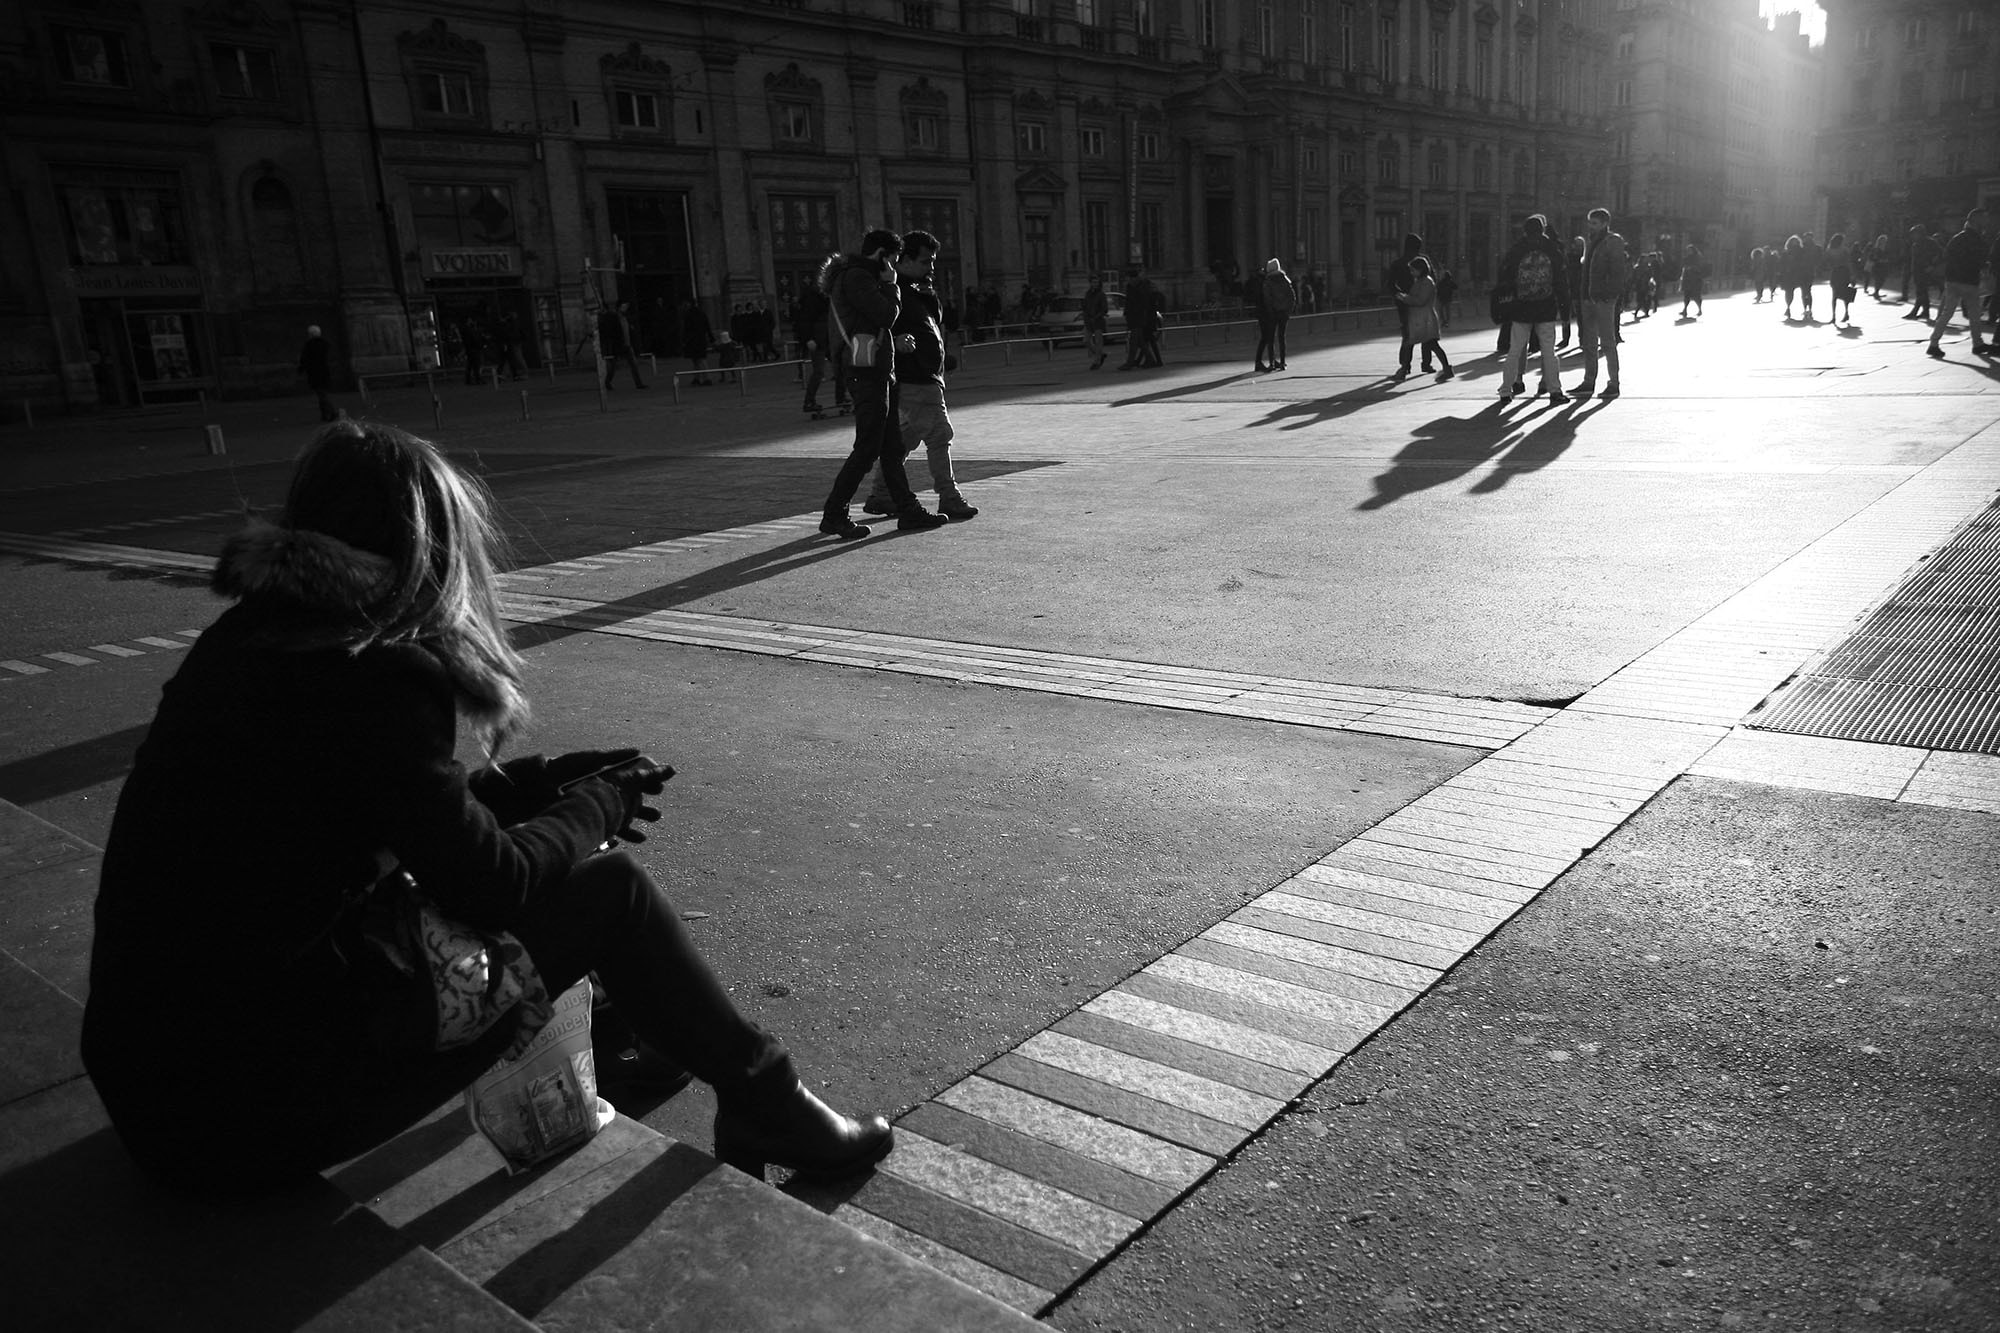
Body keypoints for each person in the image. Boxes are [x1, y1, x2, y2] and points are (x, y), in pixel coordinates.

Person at [80, 421, 894, 1193]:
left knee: (565, 864)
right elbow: (491, 883)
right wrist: (598, 805)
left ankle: (653, 1045)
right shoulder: (376, 664)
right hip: (251, 1121)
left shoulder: (251, 640)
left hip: (157, 1090)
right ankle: (767, 1101)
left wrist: (537, 780)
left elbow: (389, 810)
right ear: (425, 545)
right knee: (612, 890)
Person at [816, 229, 947, 539]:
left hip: (879, 370)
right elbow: (887, 315)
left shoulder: (864, 277)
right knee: (868, 447)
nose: (895, 265)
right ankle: (834, 513)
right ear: (882, 255)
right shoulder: (857, 278)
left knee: (891, 447)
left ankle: (908, 510)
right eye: (894, 258)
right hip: (865, 373)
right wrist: (890, 285)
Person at [861, 230, 978, 522]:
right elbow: (874, 327)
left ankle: (881, 494)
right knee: (939, 434)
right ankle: (949, 497)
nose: (932, 267)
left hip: (924, 376)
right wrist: (897, 342)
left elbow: (936, 323)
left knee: (905, 439)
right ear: (904, 260)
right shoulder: (890, 290)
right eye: (926, 261)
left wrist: (931, 296)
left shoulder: (914, 290)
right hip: (915, 377)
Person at [1496, 213, 1569, 405]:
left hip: (1521, 309)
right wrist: (1565, 308)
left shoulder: (1517, 250)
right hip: (1546, 308)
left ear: (1524, 231)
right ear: (1543, 230)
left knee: (1514, 351)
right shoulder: (1551, 249)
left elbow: (1505, 278)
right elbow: (1561, 280)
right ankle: (1555, 391)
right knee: (1549, 352)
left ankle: (1505, 390)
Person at [1576, 207, 1629, 401]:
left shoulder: (1612, 241)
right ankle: (1588, 381)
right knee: (1588, 343)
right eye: (1589, 222)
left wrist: (1609, 294)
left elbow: (1618, 271)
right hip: (1588, 297)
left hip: (1603, 298)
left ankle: (1613, 383)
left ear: (1605, 223)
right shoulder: (1591, 241)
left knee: (1607, 341)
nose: (1591, 226)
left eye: (1594, 223)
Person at [1926, 207, 1992, 359]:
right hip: (1969, 280)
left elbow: (1946, 255)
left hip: (1953, 280)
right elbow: (1980, 259)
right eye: (1983, 218)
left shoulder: (1957, 238)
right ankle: (1977, 343)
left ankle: (1934, 343)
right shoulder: (1977, 239)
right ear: (1976, 221)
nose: (1986, 221)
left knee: (1948, 312)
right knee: (1974, 314)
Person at [1396, 256, 1452, 382]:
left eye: (1413, 270)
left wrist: (1404, 298)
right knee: (1423, 344)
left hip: (1425, 320)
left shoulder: (1426, 282)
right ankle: (1446, 369)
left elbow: (1421, 300)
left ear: (1420, 269)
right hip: (1420, 319)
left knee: (1427, 344)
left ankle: (1403, 371)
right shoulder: (1421, 281)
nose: (1412, 273)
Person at [1388, 232, 1425, 380]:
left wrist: (1399, 296)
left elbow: (1390, 284)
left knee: (1407, 334)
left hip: (1404, 303)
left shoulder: (1397, 263)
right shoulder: (1422, 262)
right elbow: (1432, 280)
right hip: (1420, 302)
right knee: (1425, 334)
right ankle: (1426, 363)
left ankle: (1405, 365)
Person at [795, 278, 835, 413]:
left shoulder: (828, 298)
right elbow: (805, 321)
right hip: (817, 340)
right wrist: (808, 339)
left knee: (840, 368)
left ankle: (841, 397)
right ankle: (809, 401)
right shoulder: (812, 300)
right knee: (818, 372)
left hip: (828, 338)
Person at [1254, 258, 1294, 372]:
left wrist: (1271, 311)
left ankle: (1271, 363)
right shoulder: (1285, 279)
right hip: (1283, 313)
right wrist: (1289, 310)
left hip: (1272, 313)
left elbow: (1267, 298)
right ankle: (1282, 362)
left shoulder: (1268, 281)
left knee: (1270, 338)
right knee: (1281, 337)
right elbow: (1292, 296)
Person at [599, 302, 645, 389]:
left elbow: (628, 330)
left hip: (627, 344)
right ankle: (607, 382)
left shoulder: (625, 317)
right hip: (619, 344)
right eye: (624, 306)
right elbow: (611, 331)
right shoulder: (614, 317)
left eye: (626, 306)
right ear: (619, 307)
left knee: (633, 364)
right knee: (613, 366)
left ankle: (639, 383)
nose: (625, 308)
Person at [297, 324, 337, 422]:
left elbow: (304, 359)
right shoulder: (325, 344)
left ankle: (331, 412)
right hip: (324, 371)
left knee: (321, 394)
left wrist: (300, 370)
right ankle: (324, 414)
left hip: (314, 372)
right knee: (322, 393)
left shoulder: (309, 345)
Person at [1905, 224, 1943, 322]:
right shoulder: (1915, 244)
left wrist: (1932, 265)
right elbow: (1914, 260)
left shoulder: (1930, 243)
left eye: (1915, 233)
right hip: (1917, 271)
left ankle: (1916, 311)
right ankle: (1925, 311)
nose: (1913, 236)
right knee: (1922, 292)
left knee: (1921, 292)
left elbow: (1940, 254)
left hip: (1926, 271)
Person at [680, 299, 714, 387]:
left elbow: (686, 329)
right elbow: (707, 326)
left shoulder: (688, 315)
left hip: (692, 340)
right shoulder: (702, 313)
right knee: (701, 359)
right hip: (701, 339)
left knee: (697, 360)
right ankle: (702, 378)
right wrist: (711, 338)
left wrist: (684, 340)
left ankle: (702, 378)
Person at [1826, 233, 1856, 325]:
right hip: (1844, 272)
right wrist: (1852, 275)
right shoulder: (1844, 250)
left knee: (1834, 295)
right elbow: (1848, 262)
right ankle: (1846, 312)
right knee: (1844, 293)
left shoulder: (1829, 250)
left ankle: (1834, 316)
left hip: (1835, 273)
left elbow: (1827, 262)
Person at [1081, 276, 1110, 370]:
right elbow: (1085, 306)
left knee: (1098, 342)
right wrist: (1085, 314)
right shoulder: (1088, 294)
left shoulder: (1101, 294)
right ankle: (1100, 355)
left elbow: (1104, 309)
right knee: (1086, 340)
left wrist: (1097, 316)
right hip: (1088, 321)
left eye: (1096, 282)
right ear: (1090, 283)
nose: (1095, 284)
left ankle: (1097, 361)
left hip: (1098, 321)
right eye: (1093, 282)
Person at [1777, 235, 1809, 319]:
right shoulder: (1800, 251)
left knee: (1791, 292)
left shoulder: (1788, 252)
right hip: (1795, 274)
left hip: (1792, 274)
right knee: (1798, 292)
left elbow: (1781, 264)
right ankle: (1792, 308)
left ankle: (1790, 308)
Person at [1678, 244, 1707, 317]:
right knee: (1686, 295)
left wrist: (1692, 268)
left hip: (1695, 280)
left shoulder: (1697, 258)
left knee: (1696, 296)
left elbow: (1700, 268)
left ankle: (1699, 309)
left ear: (1693, 250)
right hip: (1687, 279)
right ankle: (1685, 310)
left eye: (1689, 250)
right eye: (1687, 250)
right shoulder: (1687, 258)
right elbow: (1684, 266)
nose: (1688, 251)